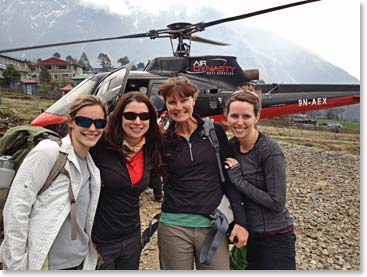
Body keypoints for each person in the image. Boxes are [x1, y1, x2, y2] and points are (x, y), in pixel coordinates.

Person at [0, 95, 108, 270]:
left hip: (79, 263)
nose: (93, 128)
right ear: (71, 121)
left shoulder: (92, 167)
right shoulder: (49, 151)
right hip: (45, 263)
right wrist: (15, 266)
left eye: (99, 123)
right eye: (84, 121)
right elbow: (16, 208)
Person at [156, 77, 249, 270]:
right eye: (172, 102)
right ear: (166, 105)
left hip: (213, 225)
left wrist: (241, 221)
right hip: (173, 226)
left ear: (194, 101)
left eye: (184, 100)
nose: (179, 107)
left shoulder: (214, 132)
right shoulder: (162, 140)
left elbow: (228, 180)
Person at [224, 84, 296, 270]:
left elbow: (276, 202)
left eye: (246, 116)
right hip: (247, 235)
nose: (239, 122)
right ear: (227, 117)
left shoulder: (269, 150)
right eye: (234, 116)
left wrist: (239, 179)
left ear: (257, 117)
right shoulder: (231, 147)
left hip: (275, 237)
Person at [90, 91, 164, 270]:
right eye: (130, 115)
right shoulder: (100, 145)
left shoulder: (150, 148)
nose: (137, 122)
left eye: (144, 116)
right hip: (100, 241)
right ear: (118, 117)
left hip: (131, 237)